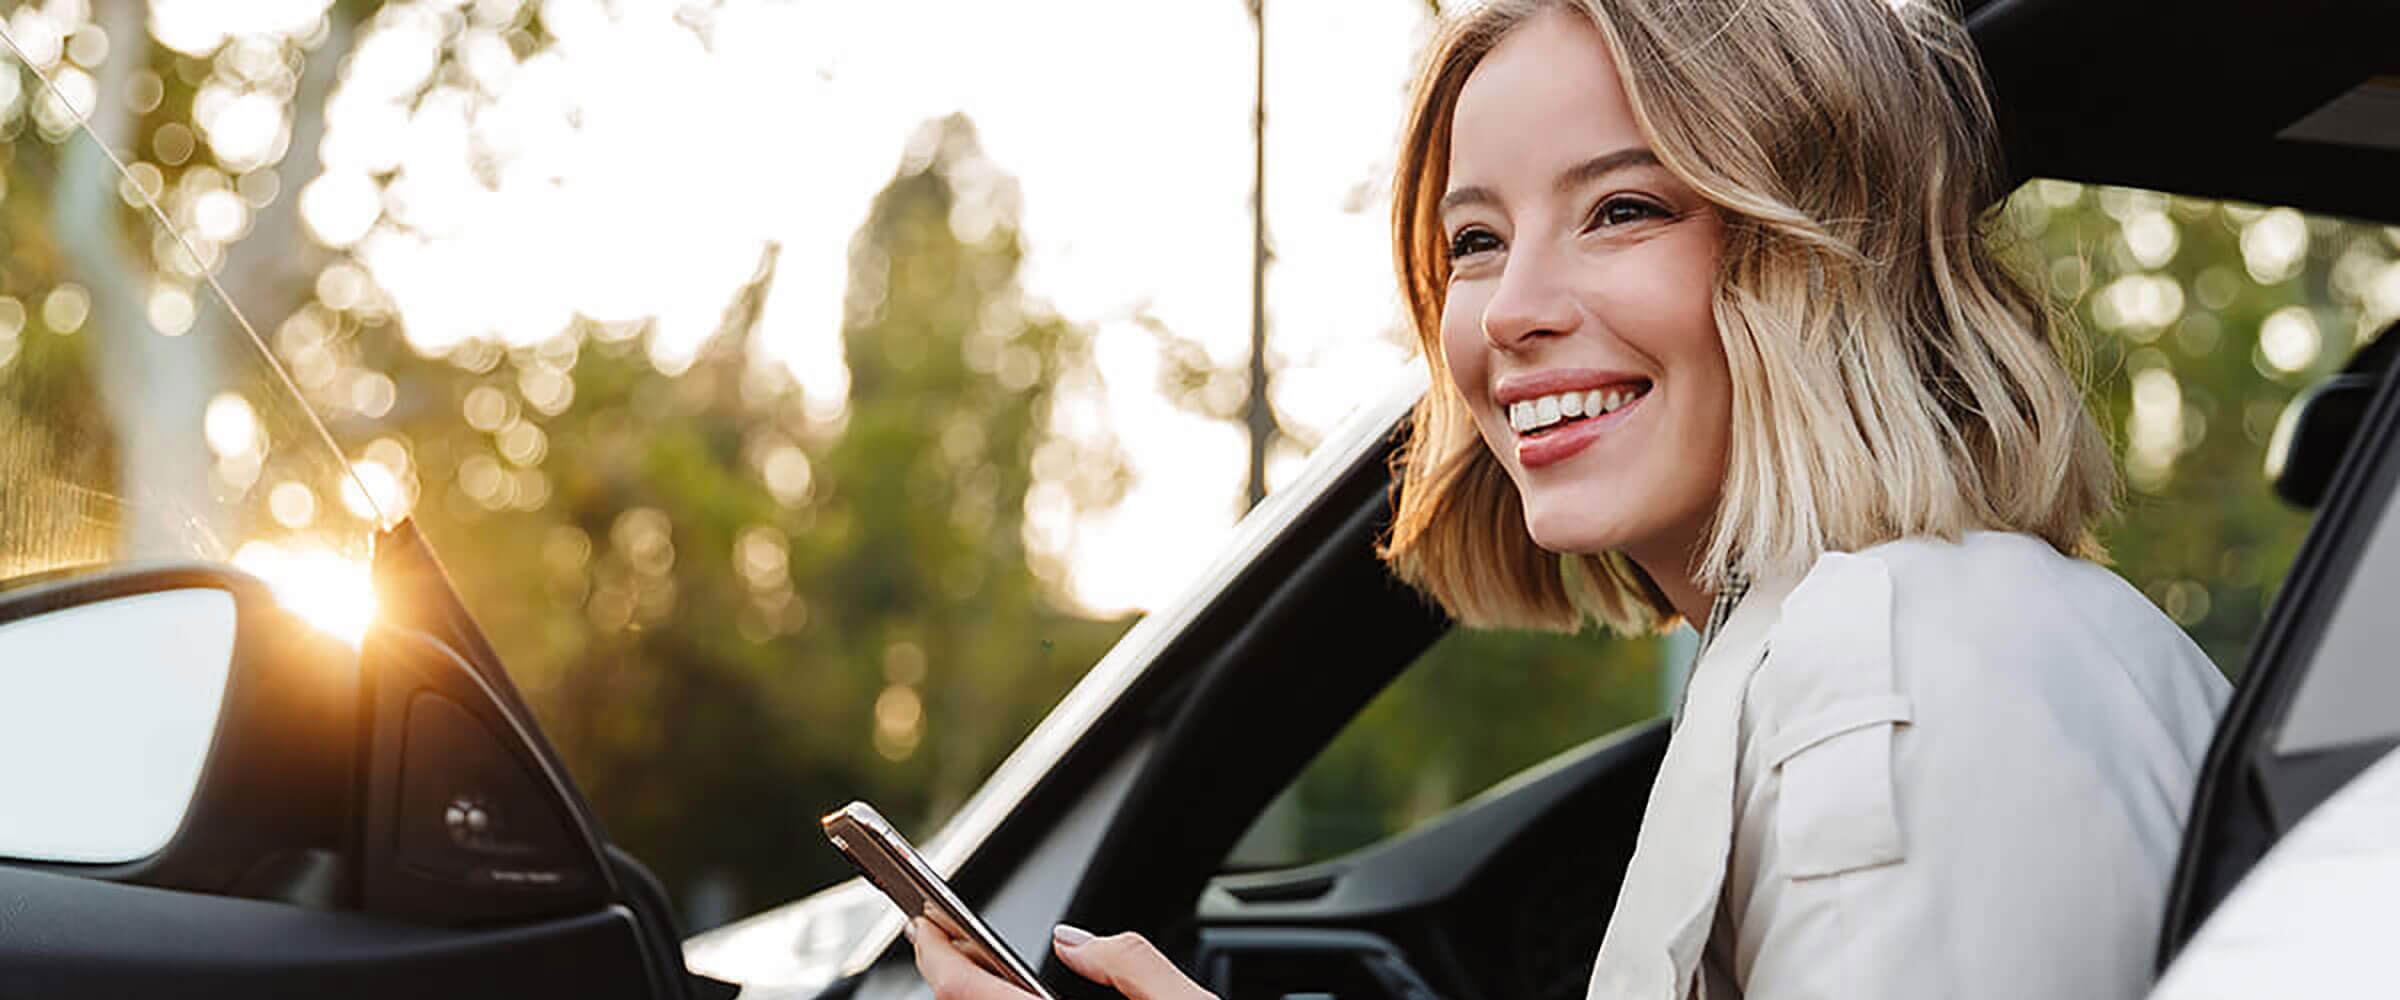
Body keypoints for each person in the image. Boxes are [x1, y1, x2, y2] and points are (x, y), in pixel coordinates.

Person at [910, 0, 2230, 997]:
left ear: (1825, 258)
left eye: (1624, 209)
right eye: (1476, 239)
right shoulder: (1915, 634)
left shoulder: (1894, 674)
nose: (1514, 312)